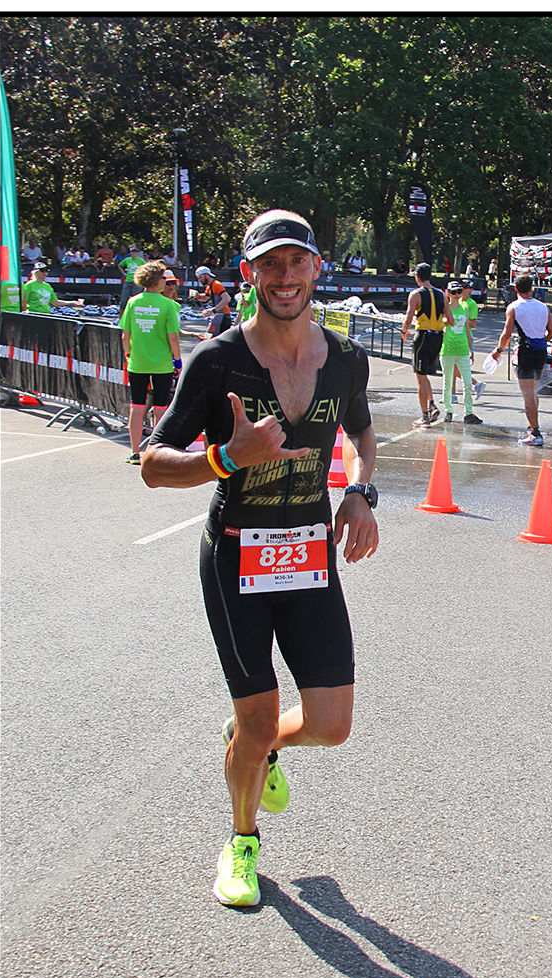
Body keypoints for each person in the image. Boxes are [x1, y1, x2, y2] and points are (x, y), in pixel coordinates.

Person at [141, 208, 379, 908]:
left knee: (332, 725)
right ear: (248, 273)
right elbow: (152, 463)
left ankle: (259, 741)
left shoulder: (346, 358)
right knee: (256, 717)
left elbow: (364, 437)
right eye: (269, 264)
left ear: (316, 268)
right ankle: (241, 842)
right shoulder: (217, 361)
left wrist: (359, 493)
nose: (284, 276)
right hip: (236, 559)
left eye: (296, 261)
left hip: (309, 555)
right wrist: (225, 457)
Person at [119, 259, 181, 466]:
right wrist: (178, 361)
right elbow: (173, 337)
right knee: (160, 408)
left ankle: (134, 452)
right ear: (156, 280)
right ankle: (155, 452)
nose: (165, 281)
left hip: (137, 362)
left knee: (136, 406)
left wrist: (129, 354)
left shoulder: (133, 302)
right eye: (163, 278)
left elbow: (125, 335)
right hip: (162, 363)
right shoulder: (167, 304)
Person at [490, 273, 552, 447]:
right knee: (533, 392)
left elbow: (507, 333)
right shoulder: (543, 307)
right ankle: (532, 425)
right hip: (541, 352)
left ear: (516, 288)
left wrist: (498, 351)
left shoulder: (514, 307)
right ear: (531, 288)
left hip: (526, 352)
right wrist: (541, 342)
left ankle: (535, 432)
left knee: (528, 395)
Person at [401, 261, 454, 429]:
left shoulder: (416, 294)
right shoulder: (441, 294)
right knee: (423, 374)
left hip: (423, 337)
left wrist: (404, 331)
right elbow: (450, 321)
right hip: (437, 338)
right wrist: (437, 322)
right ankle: (431, 404)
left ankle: (424, 416)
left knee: (420, 377)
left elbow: (409, 317)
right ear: (430, 276)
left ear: (417, 277)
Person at [440, 280, 481, 425]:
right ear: (448, 293)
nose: (457, 295)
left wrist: (471, 349)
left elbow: (467, 330)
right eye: (453, 292)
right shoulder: (445, 308)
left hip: (462, 349)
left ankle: (468, 412)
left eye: (459, 291)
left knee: (467, 382)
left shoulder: (465, 307)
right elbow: (439, 325)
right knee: (447, 381)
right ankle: (448, 410)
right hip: (448, 349)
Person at [459, 278, 485, 401]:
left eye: (465, 287)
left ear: (470, 290)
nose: (462, 289)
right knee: (453, 368)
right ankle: (452, 394)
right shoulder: (456, 301)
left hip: (465, 337)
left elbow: (473, 324)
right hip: (455, 335)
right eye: (461, 286)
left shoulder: (471, 304)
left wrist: (460, 319)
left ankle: (476, 384)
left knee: (459, 368)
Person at [194, 265, 232, 337]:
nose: (199, 280)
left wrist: (213, 310)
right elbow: (206, 298)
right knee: (212, 337)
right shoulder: (209, 286)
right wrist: (197, 296)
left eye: (200, 277)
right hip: (218, 315)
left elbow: (227, 298)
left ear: (206, 275)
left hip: (222, 316)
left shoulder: (216, 284)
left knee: (210, 337)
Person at [118, 245, 147, 314]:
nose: (134, 253)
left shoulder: (140, 260)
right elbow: (119, 265)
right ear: (130, 253)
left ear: (137, 253)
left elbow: (146, 267)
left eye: (135, 252)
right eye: (132, 252)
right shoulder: (127, 260)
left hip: (137, 281)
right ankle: (120, 315)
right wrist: (123, 273)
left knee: (136, 299)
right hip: (128, 280)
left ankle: (134, 313)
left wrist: (141, 274)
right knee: (124, 300)